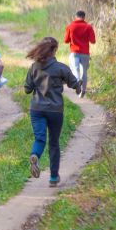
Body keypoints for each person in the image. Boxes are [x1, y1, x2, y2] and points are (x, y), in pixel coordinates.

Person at [24, 37, 81, 187]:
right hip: (55, 110)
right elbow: (74, 83)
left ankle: (35, 155)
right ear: (54, 50)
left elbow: (27, 89)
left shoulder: (34, 67)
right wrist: (78, 86)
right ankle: (54, 178)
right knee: (54, 143)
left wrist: (37, 84)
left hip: (36, 109)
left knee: (40, 138)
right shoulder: (61, 68)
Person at [64, 10, 96, 98]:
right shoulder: (88, 27)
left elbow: (66, 40)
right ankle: (83, 91)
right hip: (85, 53)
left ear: (76, 16)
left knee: (74, 69)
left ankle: (77, 80)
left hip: (74, 52)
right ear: (84, 17)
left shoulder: (70, 26)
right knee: (84, 72)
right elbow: (93, 41)